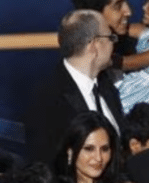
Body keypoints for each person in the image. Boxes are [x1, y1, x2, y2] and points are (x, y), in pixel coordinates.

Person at [25, 9, 127, 163]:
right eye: (110, 38)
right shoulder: (47, 99)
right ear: (94, 45)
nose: (113, 43)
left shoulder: (106, 86)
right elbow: (44, 162)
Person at [68, 0, 136, 78]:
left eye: (126, 2)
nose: (128, 12)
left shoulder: (134, 45)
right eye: (118, 5)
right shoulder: (82, 71)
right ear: (95, 13)